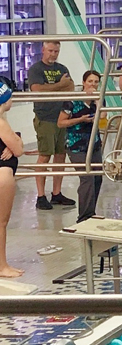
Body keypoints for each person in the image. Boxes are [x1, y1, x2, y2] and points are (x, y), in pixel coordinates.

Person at [28, 41, 75, 210]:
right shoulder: (36, 69)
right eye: (50, 50)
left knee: (61, 155)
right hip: (45, 117)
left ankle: (57, 193)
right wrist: (59, 86)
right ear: (43, 50)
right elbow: (37, 90)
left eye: (56, 51)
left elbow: (70, 87)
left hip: (62, 116)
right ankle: (41, 196)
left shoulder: (62, 68)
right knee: (45, 155)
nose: (53, 54)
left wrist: (54, 88)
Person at [57, 71, 107, 223]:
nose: (93, 84)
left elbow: (103, 117)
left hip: (94, 144)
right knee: (87, 177)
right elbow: (61, 122)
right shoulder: (72, 101)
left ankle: (91, 211)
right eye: (90, 81)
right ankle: (84, 216)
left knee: (97, 177)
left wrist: (97, 102)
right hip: (76, 145)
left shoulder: (99, 100)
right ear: (84, 82)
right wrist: (80, 120)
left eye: (96, 82)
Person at [0, 82, 24, 278]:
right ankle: (2, 266)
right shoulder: (0, 123)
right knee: (1, 223)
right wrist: (15, 142)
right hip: (3, 177)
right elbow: (19, 149)